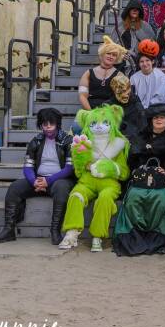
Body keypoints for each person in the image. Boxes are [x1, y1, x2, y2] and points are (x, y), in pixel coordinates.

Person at [0, 108, 75, 246]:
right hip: (39, 180)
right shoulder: (36, 141)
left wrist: (48, 180)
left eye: (51, 124)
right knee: (15, 187)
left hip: (59, 180)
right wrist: (34, 181)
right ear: (40, 125)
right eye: (45, 124)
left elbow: (69, 169)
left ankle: (55, 231)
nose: (48, 127)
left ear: (58, 124)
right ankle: (9, 230)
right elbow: (28, 167)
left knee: (61, 188)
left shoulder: (68, 141)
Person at [114, 104, 165, 256]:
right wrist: (139, 168)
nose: (159, 120)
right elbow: (132, 161)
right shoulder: (140, 137)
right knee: (133, 197)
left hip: (164, 183)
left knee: (161, 199)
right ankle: (134, 236)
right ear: (150, 120)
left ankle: (159, 238)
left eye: (162, 117)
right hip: (140, 181)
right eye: (155, 117)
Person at [59, 105, 130, 252]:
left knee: (105, 199)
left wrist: (109, 167)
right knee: (76, 195)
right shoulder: (84, 143)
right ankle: (72, 232)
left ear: (112, 124)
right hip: (87, 181)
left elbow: (124, 173)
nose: (99, 127)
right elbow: (78, 173)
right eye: (93, 123)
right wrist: (81, 161)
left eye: (105, 123)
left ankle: (98, 236)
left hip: (109, 184)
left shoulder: (118, 144)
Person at [78, 35, 125, 110]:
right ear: (102, 54)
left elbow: (121, 98)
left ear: (116, 58)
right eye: (108, 53)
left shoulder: (120, 75)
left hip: (110, 111)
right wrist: (91, 113)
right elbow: (82, 96)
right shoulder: (88, 73)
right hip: (90, 110)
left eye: (114, 55)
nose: (111, 56)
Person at [131, 40, 165, 109]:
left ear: (152, 61)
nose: (145, 64)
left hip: (156, 109)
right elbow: (132, 96)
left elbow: (161, 97)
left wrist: (148, 108)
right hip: (138, 110)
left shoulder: (161, 77)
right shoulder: (134, 78)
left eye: (147, 60)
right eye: (141, 61)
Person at [108, 73, 146, 138]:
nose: (125, 95)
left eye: (127, 91)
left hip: (136, 136)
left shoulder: (135, 100)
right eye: (121, 92)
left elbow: (143, 123)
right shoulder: (108, 105)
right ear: (114, 90)